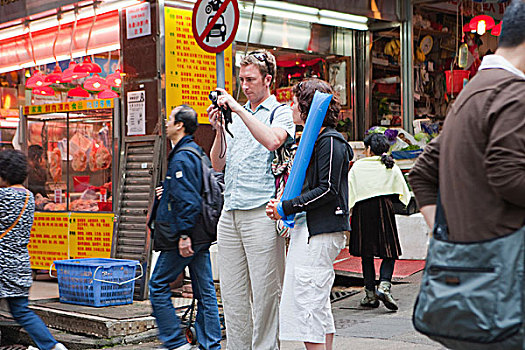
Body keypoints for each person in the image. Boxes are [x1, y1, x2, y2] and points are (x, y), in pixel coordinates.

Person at [409, 0, 525, 242]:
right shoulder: (515, 93)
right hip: (503, 265)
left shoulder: (471, 92)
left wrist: (446, 239)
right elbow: (507, 173)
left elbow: (421, 173)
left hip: (469, 268)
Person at [207, 49, 294, 350]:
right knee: (232, 294)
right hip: (230, 212)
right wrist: (219, 129)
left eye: (251, 79)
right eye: (241, 80)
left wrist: (239, 111)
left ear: (267, 79)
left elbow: (273, 140)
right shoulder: (236, 114)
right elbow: (218, 164)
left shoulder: (279, 112)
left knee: (266, 293)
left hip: (262, 212)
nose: (244, 86)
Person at [266, 79, 352, 350]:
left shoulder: (329, 141)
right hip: (313, 229)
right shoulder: (316, 140)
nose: (291, 106)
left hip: (319, 231)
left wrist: (285, 207)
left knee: (308, 302)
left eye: (294, 101)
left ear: (307, 106)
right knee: (316, 302)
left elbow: (326, 190)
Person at [148, 105, 221, 350]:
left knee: (157, 285)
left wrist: (184, 235)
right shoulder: (195, 152)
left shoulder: (182, 156)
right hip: (202, 233)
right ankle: (211, 345)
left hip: (187, 235)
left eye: (170, 119)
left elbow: (188, 199)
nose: (166, 123)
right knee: (205, 290)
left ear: (180, 125)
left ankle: (174, 342)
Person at [0, 149, 67, 350]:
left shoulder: (3, 196)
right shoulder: (29, 198)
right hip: (20, 263)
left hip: (2, 263)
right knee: (22, 312)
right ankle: (53, 346)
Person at [347, 133, 411, 311]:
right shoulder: (391, 165)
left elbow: (350, 191)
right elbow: (403, 194)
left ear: (368, 149)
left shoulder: (358, 166)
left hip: (363, 210)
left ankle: (370, 294)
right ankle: (384, 285)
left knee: (366, 254)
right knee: (389, 250)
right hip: (384, 208)